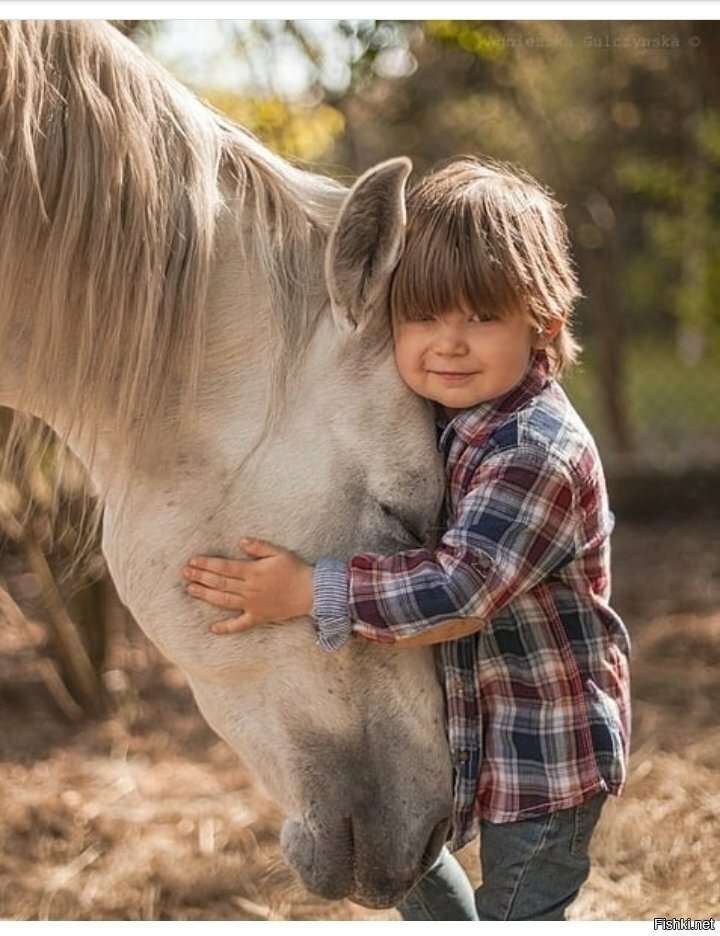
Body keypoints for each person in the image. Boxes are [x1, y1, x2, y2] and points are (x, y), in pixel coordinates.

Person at [182, 156, 631, 921]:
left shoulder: (533, 451)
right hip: (465, 726)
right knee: (406, 863)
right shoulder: (447, 419)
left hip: (542, 752)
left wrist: (309, 589)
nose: (447, 343)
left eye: (481, 316)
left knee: (521, 912)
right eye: (422, 317)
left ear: (544, 324)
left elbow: (460, 595)